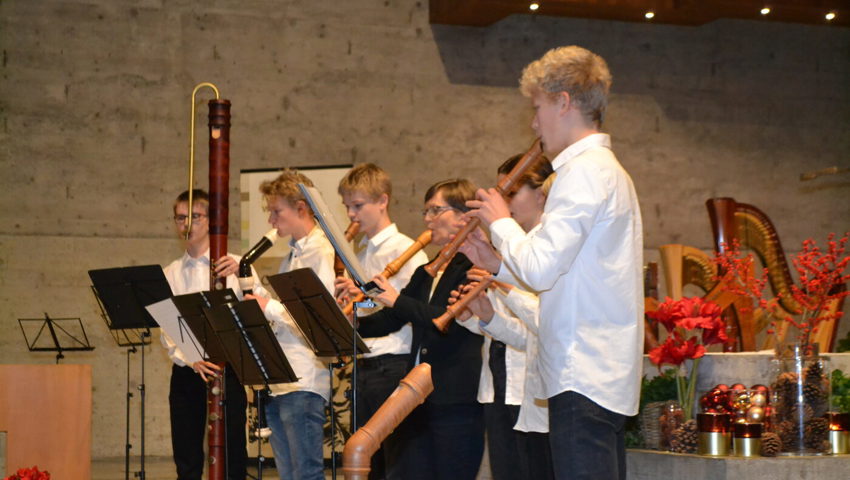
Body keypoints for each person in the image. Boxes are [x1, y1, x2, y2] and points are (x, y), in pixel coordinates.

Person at [467, 46, 644, 480]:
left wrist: (501, 222)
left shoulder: (584, 172)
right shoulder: (598, 170)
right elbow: (564, 272)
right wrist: (496, 263)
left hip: (583, 368)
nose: (534, 123)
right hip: (591, 368)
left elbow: (542, 269)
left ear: (563, 102)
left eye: (537, 107)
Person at [355, 179, 484, 480]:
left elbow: (447, 320)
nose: (427, 220)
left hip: (454, 395)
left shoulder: (474, 264)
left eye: (435, 210)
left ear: (463, 215)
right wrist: (353, 319)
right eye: (426, 212)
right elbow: (391, 318)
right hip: (417, 397)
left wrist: (395, 299)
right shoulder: (429, 268)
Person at [452, 153, 554, 480]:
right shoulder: (511, 247)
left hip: (532, 385)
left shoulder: (545, 252)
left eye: (511, 193)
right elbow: (509, 329)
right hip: (498, 378)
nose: (502, 204)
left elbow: (542, 329)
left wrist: (501, 282)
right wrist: (477, 314)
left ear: (541, 194)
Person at [333, 163, 429, 480]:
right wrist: (351, 302)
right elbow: (370, 304)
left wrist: (364, 298)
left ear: (383, 201)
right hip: (365, 362)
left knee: (394, 461)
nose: (351, 214)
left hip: (392, 363)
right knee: (367, 462)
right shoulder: (360, 254)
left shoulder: (406, 250)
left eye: (358, 205)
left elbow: (402, 307)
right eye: (347, 206)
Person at [245, 170, 334, 480]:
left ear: (301, 208)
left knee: (306, 473)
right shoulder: (292, 256)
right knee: (289, 474)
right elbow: (284, 314)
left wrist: (267, 306)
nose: (271, 220)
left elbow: (317, 319)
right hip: (283, 378)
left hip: (304, 379)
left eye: (276, 211)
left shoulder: (322, 253)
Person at [161, 188, 255, 480]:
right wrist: (192, 358)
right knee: (186, 454)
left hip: (228, 369)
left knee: (232, 453)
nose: (186, 224)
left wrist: (243, 276)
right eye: (180, 218)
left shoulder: (235, 264)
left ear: (211, 220)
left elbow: (258, 310)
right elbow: (168, 327)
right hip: (188, 370)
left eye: (195, 216)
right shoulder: (170, 273)